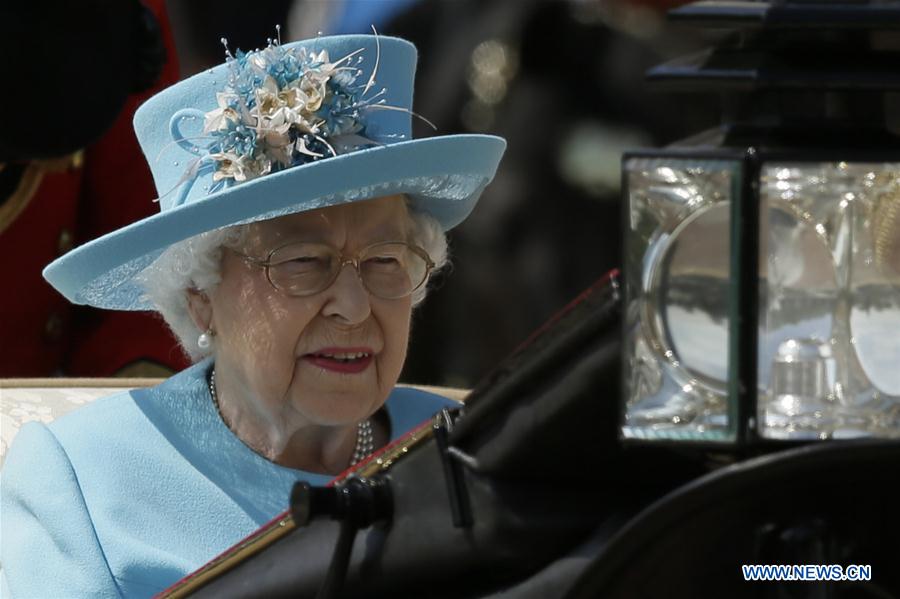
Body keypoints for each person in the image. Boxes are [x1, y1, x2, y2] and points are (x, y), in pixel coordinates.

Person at [0, 33, 505, 597]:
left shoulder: (476, 454)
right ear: (200, 294)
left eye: (386, 260)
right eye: (303, 262)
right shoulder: (81, 483)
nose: (354, 306)